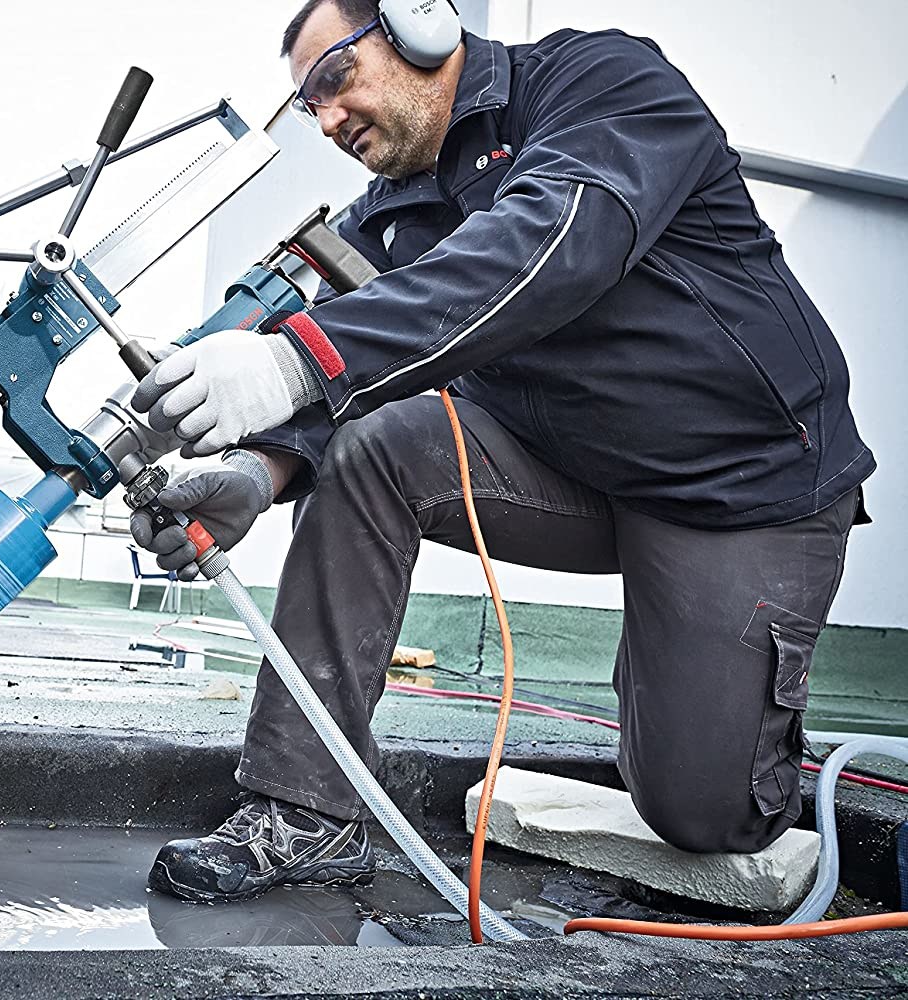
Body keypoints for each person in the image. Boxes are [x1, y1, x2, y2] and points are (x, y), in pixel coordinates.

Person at [131, 0, 873, 903]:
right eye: (308, 106)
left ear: (418, 23)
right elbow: (341, 367)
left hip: (740, 487)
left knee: (702, 813)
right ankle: (304, 811)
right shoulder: (391, 217)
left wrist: (296, 361)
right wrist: (258, 471)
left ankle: (721, 693)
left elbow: (546, 247)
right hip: (575, 468)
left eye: (334, 78)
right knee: (372, 445)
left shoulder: (603, 85)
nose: (326, 121)